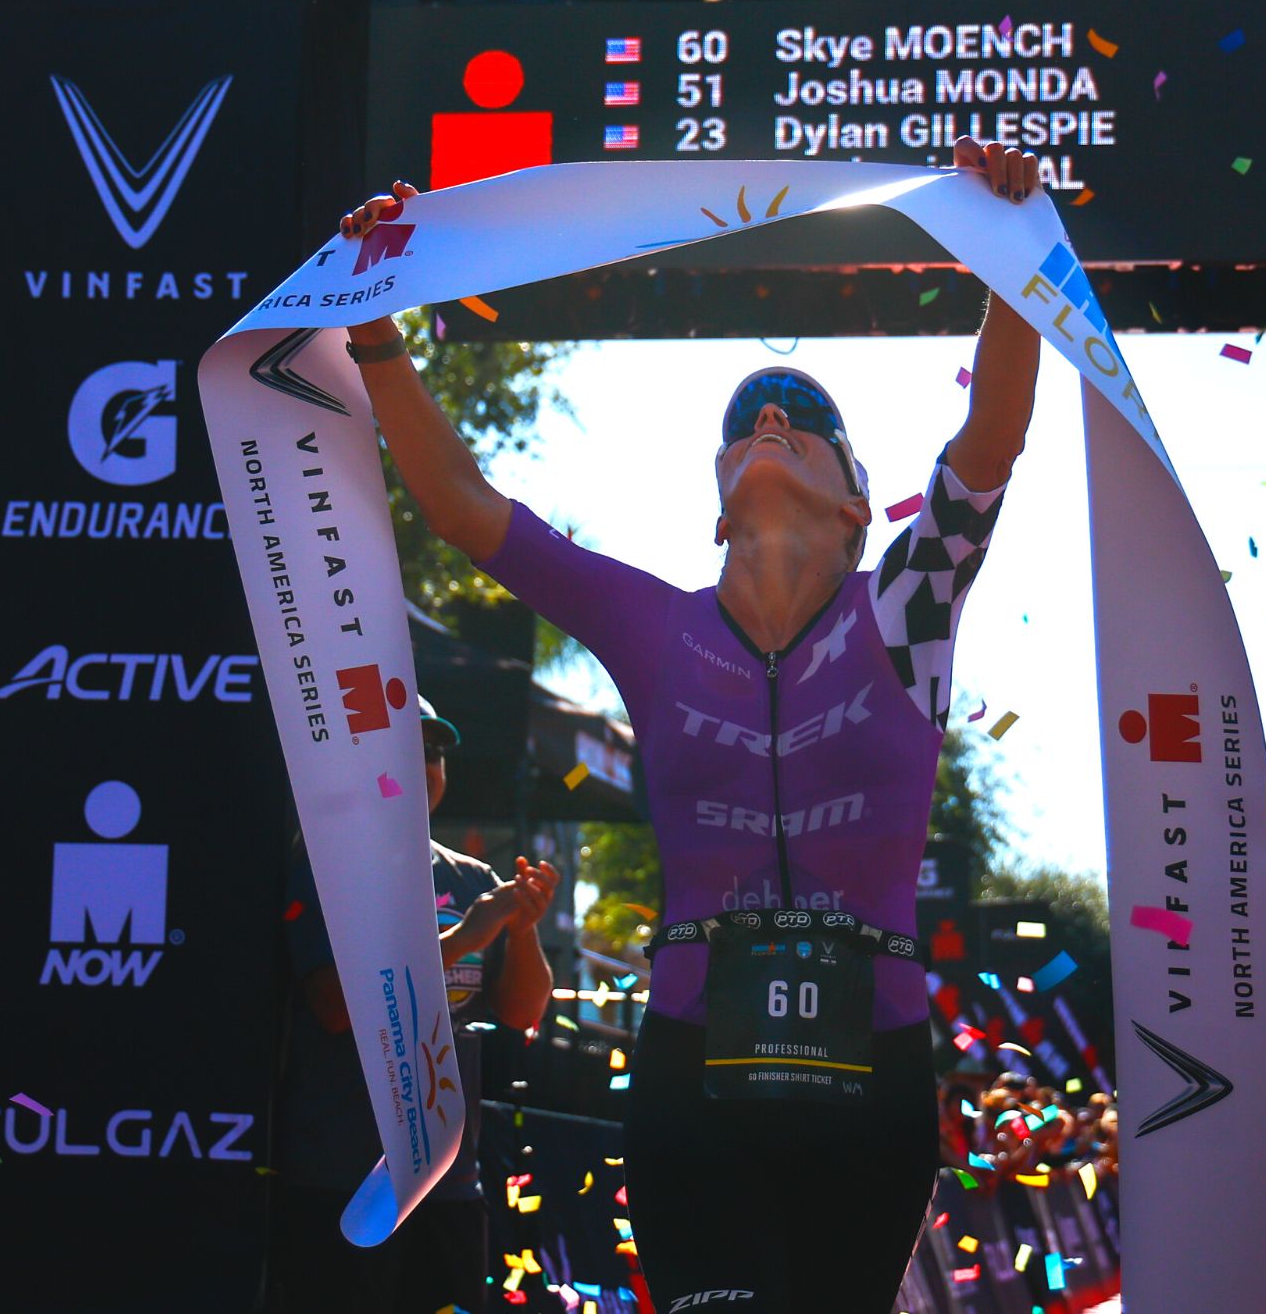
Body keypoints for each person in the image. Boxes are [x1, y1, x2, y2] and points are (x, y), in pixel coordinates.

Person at [334, 136, 1047, 1313]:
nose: (770, 414)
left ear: (861, 502)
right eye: (745, 419)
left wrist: (1009, 249)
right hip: (691, 1068)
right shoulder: (650, 626)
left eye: (805, 414)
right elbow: (466, 512)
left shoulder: (907, 605)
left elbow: (990, 447)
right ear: (717, 507)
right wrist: (377, 330)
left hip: (868, 1073)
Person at [268, 697, 560, 1312]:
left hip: (447, 1178)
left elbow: (522, 1016)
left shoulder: (472, 878)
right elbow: (333, 1007)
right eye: (405, 745)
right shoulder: (324, 863)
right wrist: (465, 938)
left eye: (434, 751)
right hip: (339, 1174)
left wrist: (522, 926)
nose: (424, 762)